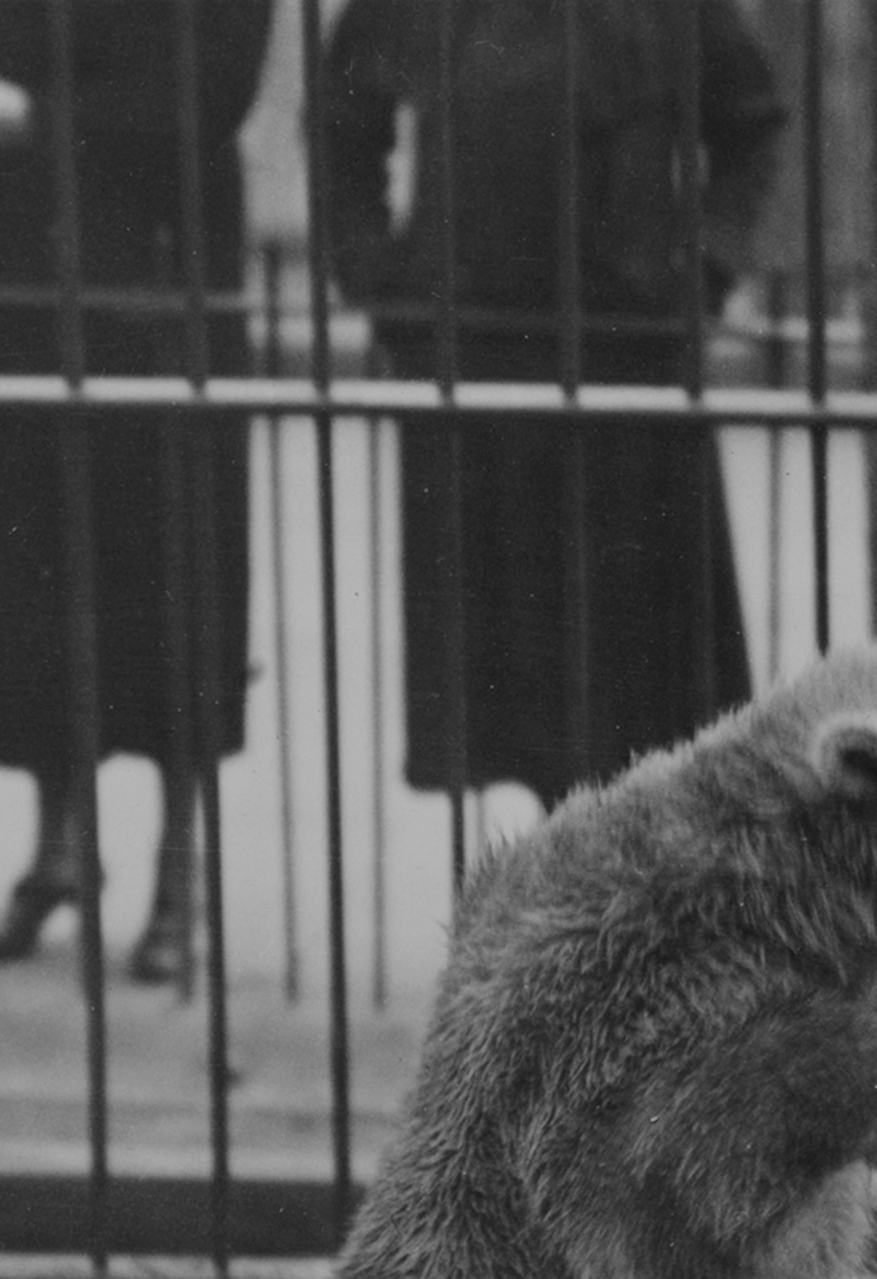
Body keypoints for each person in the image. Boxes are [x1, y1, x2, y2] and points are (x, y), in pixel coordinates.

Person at [0, 0, 274, 983]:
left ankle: (178, 872)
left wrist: (33, 116)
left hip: (157, 290)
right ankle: (59, 844)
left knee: (168, 574)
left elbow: (212, 88)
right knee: (21, 578)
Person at [316, 0, 787, 811]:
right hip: (476, 344)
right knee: (513, 658)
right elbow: (340, 121)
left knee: (640, 669)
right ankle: (557, 874)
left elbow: (752, 122)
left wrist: (704, 268)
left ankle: (632, 887)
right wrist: (380, 277)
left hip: (625, 348)